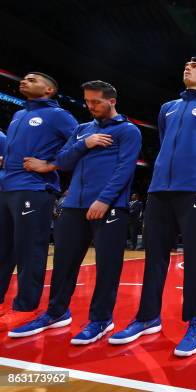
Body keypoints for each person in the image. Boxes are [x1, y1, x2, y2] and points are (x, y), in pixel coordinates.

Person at [109, 57, 196, 357]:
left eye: (195, 66)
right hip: (159, 190)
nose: (188, 67)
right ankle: (147, 316)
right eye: (186, 65)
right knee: (154, 257)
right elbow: (165, 141)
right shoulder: (168, 108)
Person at [7, 80, 141, 344]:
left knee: (107, 268)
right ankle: (56, 312)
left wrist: (104, 200)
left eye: (96, 102)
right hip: (73, 206)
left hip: (109, 207)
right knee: (63, 264)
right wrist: (86, 143)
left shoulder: (129, 131)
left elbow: (125, 169)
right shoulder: (82, 130)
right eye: (87, 101)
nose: (91, 107)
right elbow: (64, 161)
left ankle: (101, 320)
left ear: (112, 101)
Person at [0, 72, 78, 329]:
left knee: (29, 250)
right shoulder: (18, 115)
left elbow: (78, 147)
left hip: (34, 189)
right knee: (3, 249)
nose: (24, 81)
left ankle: (26, 307)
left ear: (49, 90)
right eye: (23, 79)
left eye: (32, 80)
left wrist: (50, 165)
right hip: (7, 187)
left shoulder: (59, 116)